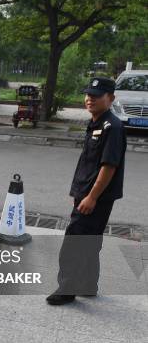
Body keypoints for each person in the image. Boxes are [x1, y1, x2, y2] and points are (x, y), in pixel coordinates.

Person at [47, 77, 127, 306]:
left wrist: (91, 197)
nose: (90, 99)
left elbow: (109, 166)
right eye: (88, 95)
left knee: (75, 241)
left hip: (95, 197)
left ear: (110, 98)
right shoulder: (97, 123)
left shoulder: (112, 127)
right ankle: (88, 284)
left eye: (97, 95)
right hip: (87, 193)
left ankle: (67, 288)